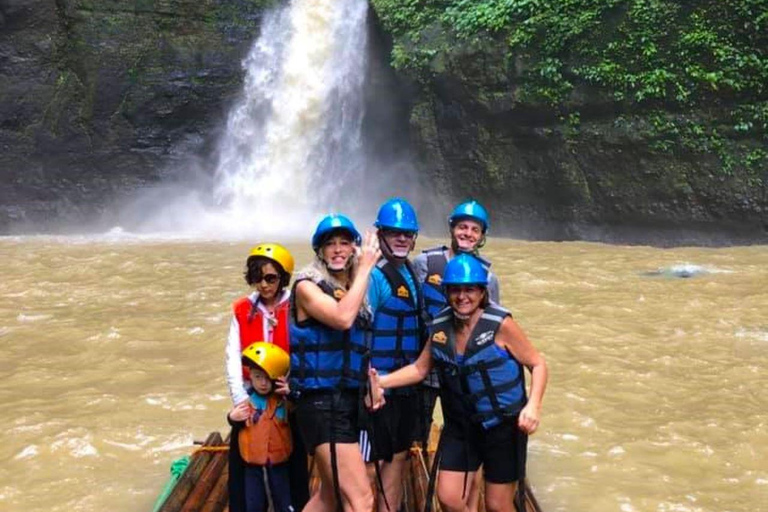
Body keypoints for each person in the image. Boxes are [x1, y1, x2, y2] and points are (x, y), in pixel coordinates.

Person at [369, 254, 548, 512]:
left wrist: (533, 406)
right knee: (449, 498)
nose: (462, 296)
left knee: (498, 505)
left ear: (482, 292)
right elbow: (420, 369)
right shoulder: (441, 326)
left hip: (502, 425)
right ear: (446, 292)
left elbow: (538, 363)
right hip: (462, 426)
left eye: (470, 289)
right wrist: (380, 382)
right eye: (455, 289)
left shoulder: (501, 325)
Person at [289, 214, 380, 512]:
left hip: (347, 402)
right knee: (361, 499)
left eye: (345, 243)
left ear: (354, 248)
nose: (338, 249)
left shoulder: (354, 290)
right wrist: (366, 267)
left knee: (329, 497)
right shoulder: (307, 286)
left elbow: (356, 348)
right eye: (331, 244)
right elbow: (342, 318)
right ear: (320, 251)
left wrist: (371, 383)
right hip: (321, 404)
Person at [225, 244, 309, 512]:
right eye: (257, 278)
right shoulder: (242, 309)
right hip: (252, 392)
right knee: (243, 460)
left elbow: (306, 349)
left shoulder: (297, 307)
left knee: (292, 460)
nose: (263, 284)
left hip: (286, 393)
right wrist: (240, 400)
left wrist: (294, 385)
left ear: (283, 278)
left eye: (270, 278)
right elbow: (232, 355)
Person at [360, 198, 423, 512]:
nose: (401, 238)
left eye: (407, 233)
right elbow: (355, 332)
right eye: (394, 232)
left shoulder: (409, 272)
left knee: (398, 456)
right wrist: (365, 383)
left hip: (405, 386)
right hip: (376, 389)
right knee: (368, 464)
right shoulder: (372, 276)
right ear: (380, 234)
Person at [228, 343, 293, 512]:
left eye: (266, 378)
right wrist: (232, 418)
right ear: (250, 376)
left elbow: (297, 413)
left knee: (284, 503)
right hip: (253, 467)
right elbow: (235, 420)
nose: (263, 383)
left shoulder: (284, 403)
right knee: (254, 505)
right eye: (257, 377)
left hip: (279, 465)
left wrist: (290, 392)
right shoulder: (246, 403)